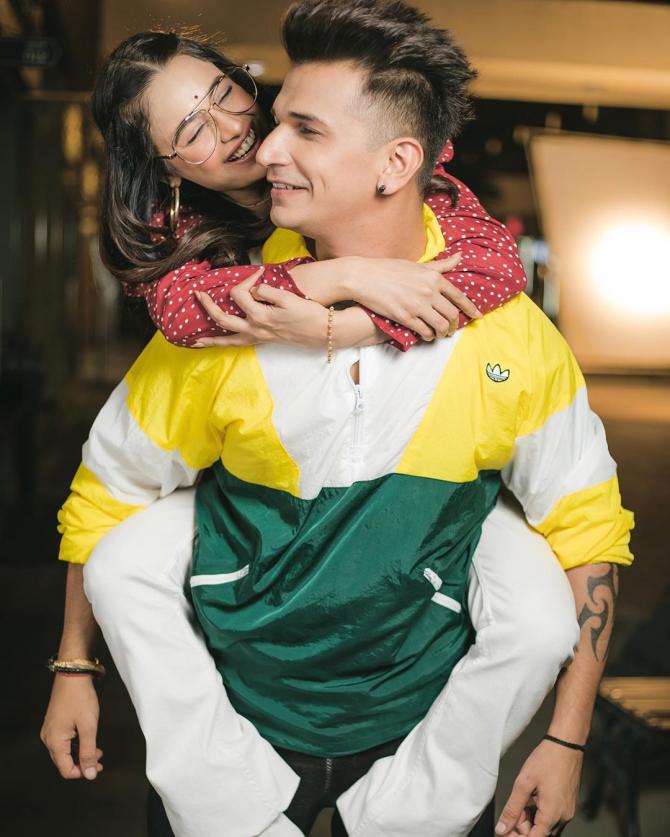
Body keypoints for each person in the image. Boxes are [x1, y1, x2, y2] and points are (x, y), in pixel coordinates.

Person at [41, 4, 633, 836]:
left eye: (237, 97)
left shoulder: (492, 305)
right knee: (124, 557)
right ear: (167, 170)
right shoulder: (212, 296)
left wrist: (565, 739)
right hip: (249, 675)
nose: (254, 141)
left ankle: (407, 812)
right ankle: (229, 804)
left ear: (397, 162)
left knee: (539, 614)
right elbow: (113, 475)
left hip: (416, 673)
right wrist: (73, 665)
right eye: (192, 133)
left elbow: (587, 523)